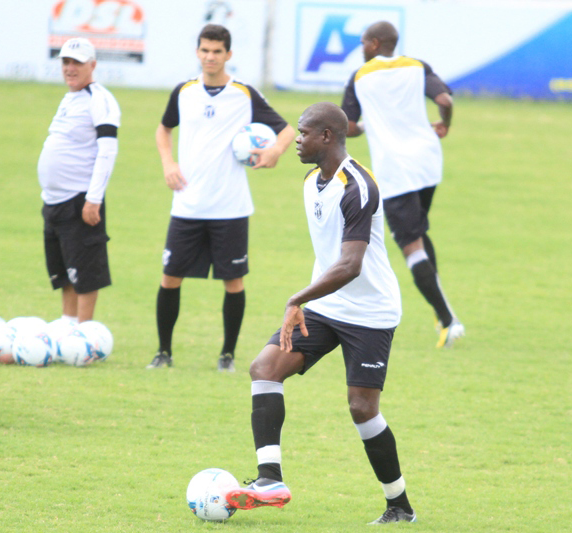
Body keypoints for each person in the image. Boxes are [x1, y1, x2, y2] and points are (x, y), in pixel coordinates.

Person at [225, 102, 416, 524]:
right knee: (265, 367)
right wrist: (308, 299)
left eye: (304, 133)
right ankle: (269, 479)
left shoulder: (359, 188)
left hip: (370, 312)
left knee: (362, 409)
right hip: (327, 306)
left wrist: (297, 299)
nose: (296, 139)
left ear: (327, 136)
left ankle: (399, 505)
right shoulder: (313, 181)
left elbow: (351, 265)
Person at [148, 24, 295, 371]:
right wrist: (168, 162)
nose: (210, 57)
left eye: (217, 51)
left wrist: (276, 150)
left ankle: (227, 356)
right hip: (187, 203)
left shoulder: (244, 94)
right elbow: (164, 128)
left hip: (230, 207)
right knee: (170, 276)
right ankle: (163, 353)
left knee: (233, 281)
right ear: (197, 52)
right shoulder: (183, 92)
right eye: (204, 50)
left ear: (228, 54)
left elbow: (287, 129)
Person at [341, 20, 464, 348]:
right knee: (419, 231)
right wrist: (445, 125)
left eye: (364, 42)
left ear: (376, 43)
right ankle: (443, 313)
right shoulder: (416, 65)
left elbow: (347, 125)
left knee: (410, 244)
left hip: (394, 170)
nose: (362, 48)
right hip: (427, 162)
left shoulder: (360, 76)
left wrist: (365, 126)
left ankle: (449, 321)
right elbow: (446, 102)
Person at [37, 38, 120, 325]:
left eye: (77, 63)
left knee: (85, 271)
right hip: (54, 200)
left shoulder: (100, 100)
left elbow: (107, 151)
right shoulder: (70, 97)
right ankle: (68, 323)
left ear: (93, 65)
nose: (70, 68)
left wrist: (93, 198)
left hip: (80, 199)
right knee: (64, 269)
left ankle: (84, 334)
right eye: (66, 62)